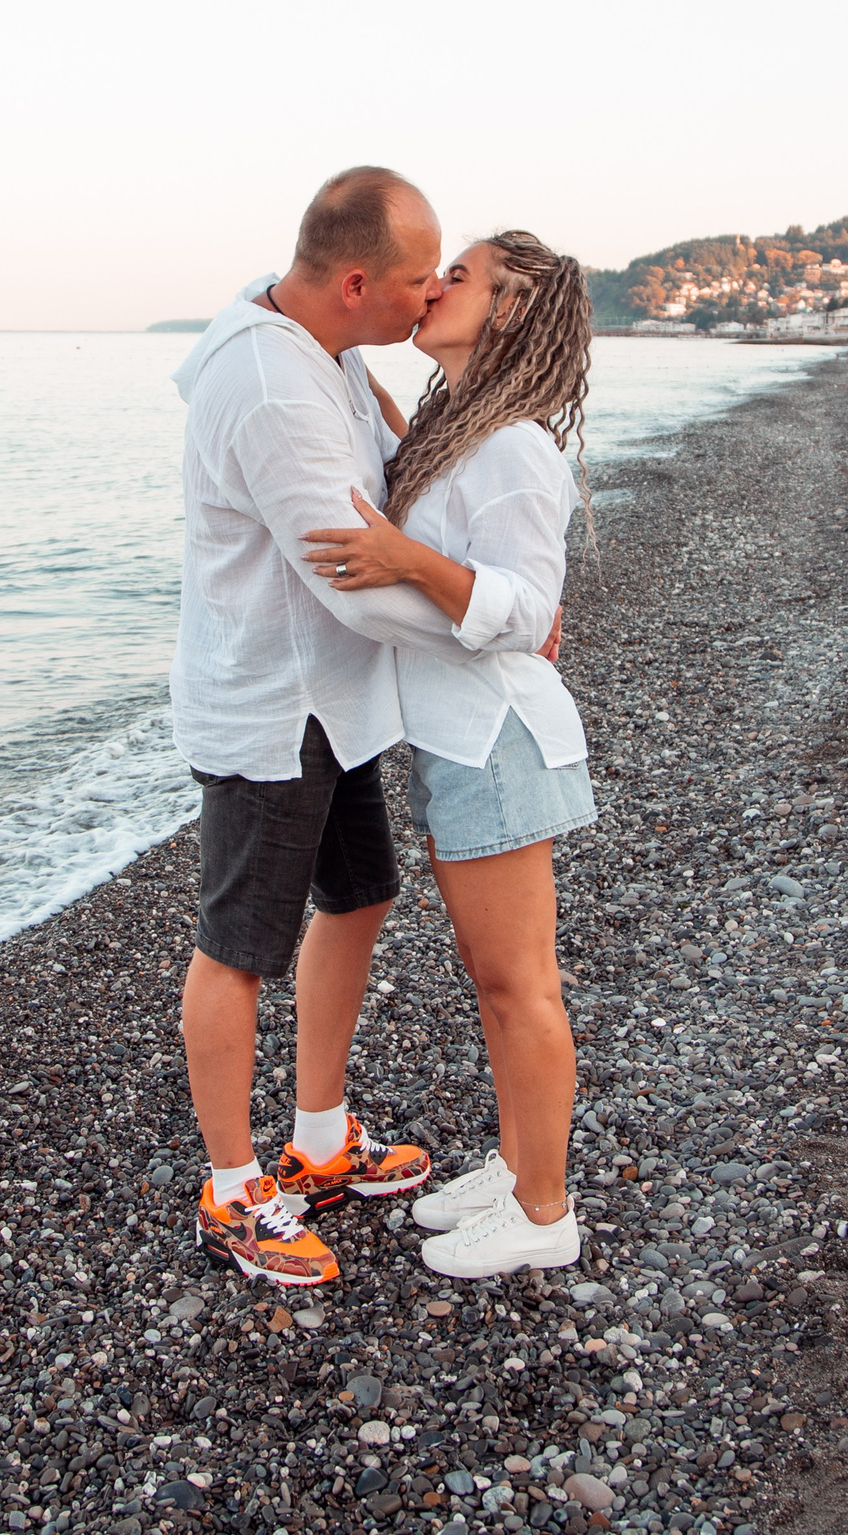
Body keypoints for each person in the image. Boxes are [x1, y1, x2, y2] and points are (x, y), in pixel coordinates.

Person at [166, 168, 554, 1287]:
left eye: (445, 275)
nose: (429, 292)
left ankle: (321, 1138)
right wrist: (500, 627)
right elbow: (354, 588)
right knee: (238, 947)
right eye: (417, 276)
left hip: (334, 702)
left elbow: (371, 478)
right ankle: (234, 1188)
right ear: (351, 284)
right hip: (273, 704)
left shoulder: (319, 343)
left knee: (360, 893)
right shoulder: (273, 386)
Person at [299, 230, 595, 1278]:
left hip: (497, 738)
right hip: (460, 738)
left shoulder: (511, 444)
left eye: (458, 276)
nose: (433, 287)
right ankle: (516, 1168)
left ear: (508, 309)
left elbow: (530, 608)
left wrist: (405, 558)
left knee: (520, 984)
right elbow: (386, 444)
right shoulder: (457, 427)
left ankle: (544, 1210)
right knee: (492, 975)